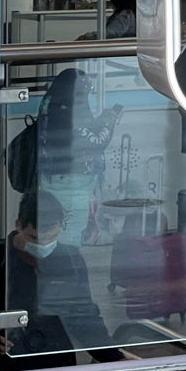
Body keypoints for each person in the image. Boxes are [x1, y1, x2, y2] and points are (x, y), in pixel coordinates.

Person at [1, 191, 123, 371]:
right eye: (34, 238)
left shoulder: (70, 260)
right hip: (7, 364)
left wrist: (116, 358)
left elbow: (85, 318)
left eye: (50, 238)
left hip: (57, 361)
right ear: (18, 225)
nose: (43, 246)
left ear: (60, 227)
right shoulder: (3, 259)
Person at [35, 69, 121, 247]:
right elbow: (95, 142)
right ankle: (65, 269)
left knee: (52, 229)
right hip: (73, 180)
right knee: (70, 233)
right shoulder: (72, 106)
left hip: (49, 176)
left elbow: (76, 134)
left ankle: (52, 265)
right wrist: (109, 120)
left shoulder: (49, 102)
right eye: (87, 86)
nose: (89, 91)